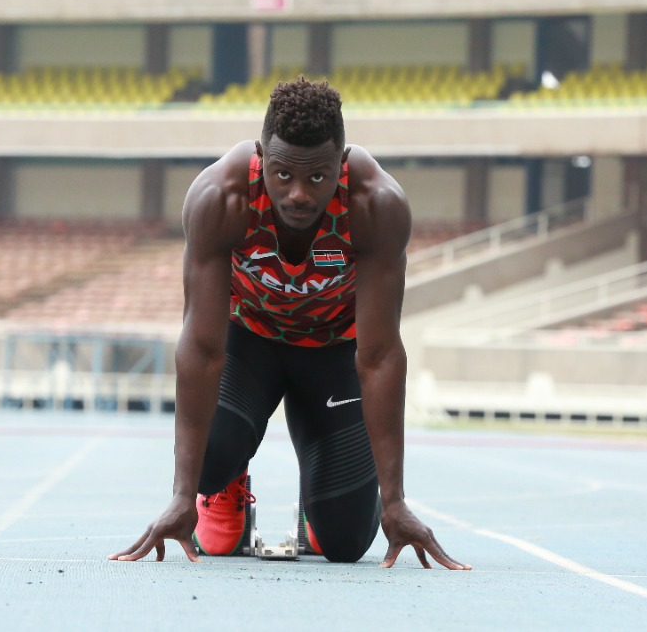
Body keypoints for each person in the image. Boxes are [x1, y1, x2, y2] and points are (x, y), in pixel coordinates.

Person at [109, 76, 470, 570]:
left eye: (318, 178)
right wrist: (182, 494)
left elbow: (381, 355)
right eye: (283, 175)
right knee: (207, 462)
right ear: (261, 158)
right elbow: (202, 347)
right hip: (249, 342)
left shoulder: (376, 205)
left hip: (333, 351)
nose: (298, 194)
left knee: (345, 544)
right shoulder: (221, 197)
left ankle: (318, 503)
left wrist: (395, 502)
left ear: (342, 164)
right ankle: (227, 483)